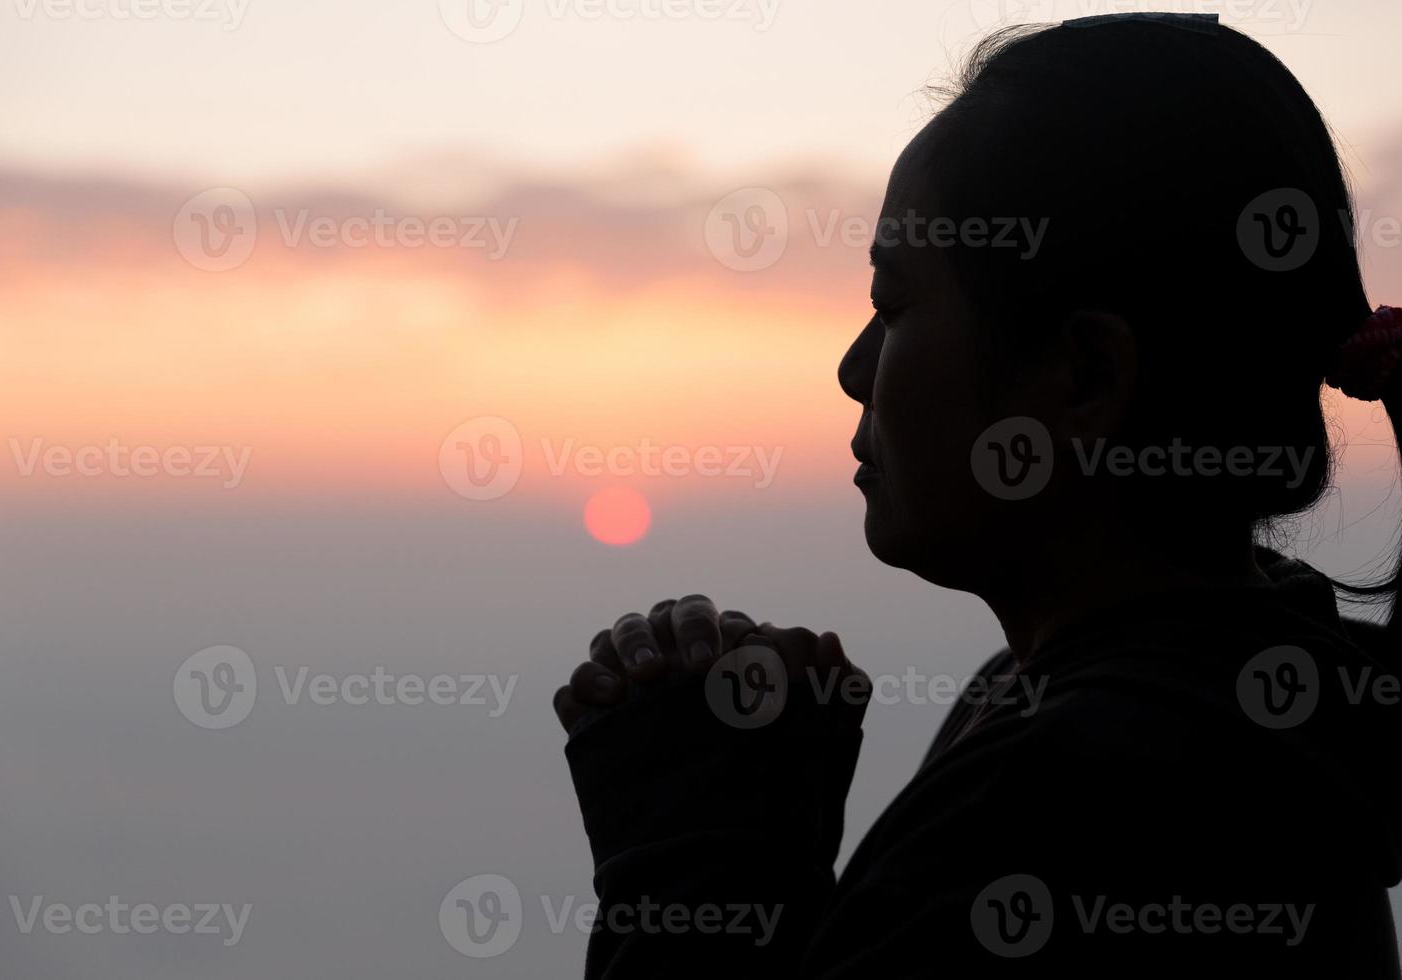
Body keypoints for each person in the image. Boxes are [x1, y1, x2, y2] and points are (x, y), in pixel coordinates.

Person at [552, 14, 1402, 976]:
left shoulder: (1071, 800)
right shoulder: (1235, 698)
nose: (851, 368)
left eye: (892, 303)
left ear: (1081, 377)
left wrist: (689, 854)